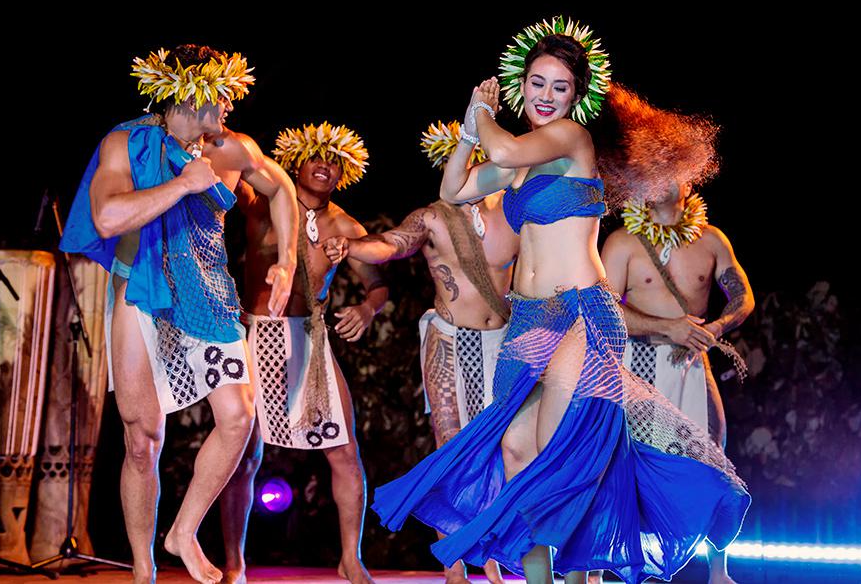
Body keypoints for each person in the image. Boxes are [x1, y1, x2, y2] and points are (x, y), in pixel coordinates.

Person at [371, 17, 750, 584]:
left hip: (581, 313)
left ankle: (582, 572)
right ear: (521, 84)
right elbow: (452, 190)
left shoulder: (571, 140)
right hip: (529, 317)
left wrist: (482, 112)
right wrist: (470, 135)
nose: (546, 95)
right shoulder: (517, 161)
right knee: (515, 449)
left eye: (560, 86)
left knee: (558, 451)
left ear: (576, 96)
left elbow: (502, 142)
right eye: (537, 83)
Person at [60, 45, 295, 584]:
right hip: (141, 291)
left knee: (238, 417)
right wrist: (184, 184)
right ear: (191, 94)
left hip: (208, 294)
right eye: (223, 95)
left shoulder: (232, 149)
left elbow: (280, 187)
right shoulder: (125, 143)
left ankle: (183, 532)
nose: (230, 104)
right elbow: (106, 216)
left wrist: (285, 261)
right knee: (142, 440)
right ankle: (143, 569)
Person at [323, 120, 518, 583]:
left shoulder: (514, 213)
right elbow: (392, 245)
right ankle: (453, 566)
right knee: (451, 447)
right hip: (449, 340)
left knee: (503, 450)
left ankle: (492, 556)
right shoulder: (431, 218)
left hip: (503, 343)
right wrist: (352, 246)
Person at [219, 122, 386, 584]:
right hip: (254, 335)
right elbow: (239, 164)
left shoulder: (345, 226)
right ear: (296, 163)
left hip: (309, 340)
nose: (324, 167)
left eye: (333, 162)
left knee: (345, 451)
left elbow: (377, 282)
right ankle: (234, 563)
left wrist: (367, 309)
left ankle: (350, 558)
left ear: (343, 174)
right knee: (241, 455)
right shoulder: (262, 203)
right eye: (316, 157)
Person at [601, 180, 755, 584]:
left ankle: (718, 571)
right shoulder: (623, 242)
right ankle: (626, 566)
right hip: (638, 366)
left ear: (689, 180)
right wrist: (667, 326)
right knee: (634, 466)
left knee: (713, 460)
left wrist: (717, 327)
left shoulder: (711, 239)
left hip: (691, 364)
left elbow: (743, 296)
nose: (662, 178)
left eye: (672, 170)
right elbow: (603, 309)